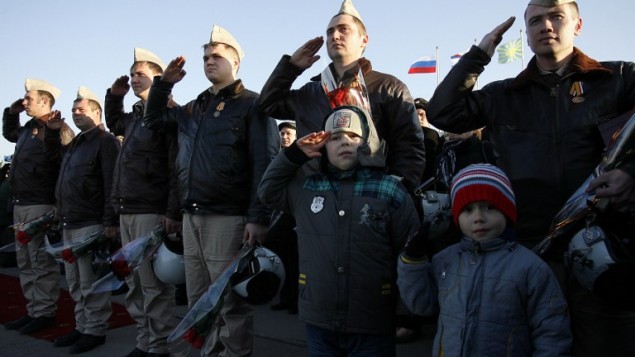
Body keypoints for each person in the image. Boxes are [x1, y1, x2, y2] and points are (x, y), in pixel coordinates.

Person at [426, 1, 635, 355]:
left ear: (578, 25)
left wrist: (631, 174)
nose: (546, 26)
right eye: (536, 20)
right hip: (530, 249)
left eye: (556, 16)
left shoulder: (618, 78)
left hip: (603, 246)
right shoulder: (503, 94)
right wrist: (479, 54)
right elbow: (442, 112)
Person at [144, 25, 277, 356]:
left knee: (229, 303)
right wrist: (164, 85)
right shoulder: (194, 109)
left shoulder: (252, 105)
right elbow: (154, 121)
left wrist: (258, 216)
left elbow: (266, 163)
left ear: (236, 62)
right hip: (193, 217)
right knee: (198, 299)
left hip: (229, 219)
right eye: (205, 57)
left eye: (217, 56)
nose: (209, 61)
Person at [258, 105, 420, 356]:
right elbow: (267, 190)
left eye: (353, 136)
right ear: (323, 147)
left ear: (368, 142)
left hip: (373, 321)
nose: (344, 142)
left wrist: (405, 313)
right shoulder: (306, 189)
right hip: (319, 320)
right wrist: (293, 155)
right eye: (334, 138)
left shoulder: (390, 190)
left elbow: (409, 255)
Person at [398, 163, 572, 356]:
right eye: (468, 210)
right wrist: (412, 262)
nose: (478, 217)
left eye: (489, 207)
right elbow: (422, 305)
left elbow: (552, 331)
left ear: (506, 211)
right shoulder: (445, 260)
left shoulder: (531, 268)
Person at [258, 0, 425, 195]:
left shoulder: (388, 87)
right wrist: (291, 68)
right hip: (314, 197)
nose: (335, 36)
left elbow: (409, 146)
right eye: (330, 32)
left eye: (344, 29)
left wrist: (395, 191)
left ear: (364, 40)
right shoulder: (310, 92)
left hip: (370, 198)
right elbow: (268, 104)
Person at [105, 48, 180, 357]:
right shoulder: (134, 116)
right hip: (128, 208)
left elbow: (177, 166)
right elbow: (113, 122)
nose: (135, 78)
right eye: (132, 73)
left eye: (141, 73)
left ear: (158, 78)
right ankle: (144, 342)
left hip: (151, 209)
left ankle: (159, 346)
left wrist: (171, 211)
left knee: (154, 285)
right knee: (135, 283)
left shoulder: (168, 113)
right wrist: (115, 95)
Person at [46, 87, 120, 354]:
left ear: (96, 112)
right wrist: (53, 134)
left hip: (91, 222)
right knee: (76, 281)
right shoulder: (76, 143)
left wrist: (109, 220)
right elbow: (55, 162)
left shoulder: (105, 141)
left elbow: (112, 181)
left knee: (91, 282)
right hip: (70, 220)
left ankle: (95, 330)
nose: (76, 113)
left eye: (82, 109)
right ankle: (82, 326)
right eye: (74, 110)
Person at [2, 79, 75, 334]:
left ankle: (44, 311)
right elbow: (9, 133)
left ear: (45, 101)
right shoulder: (26, 130)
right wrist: (11, 113)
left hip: (41, 202)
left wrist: (58, 204)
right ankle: (34, 309)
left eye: (29, 99)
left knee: (39, 261)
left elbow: (68, 167)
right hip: (22, 202)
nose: (25, 102)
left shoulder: (56, 128)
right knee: (25, 261)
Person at [266, 120, 299, 314]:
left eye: (289, 133)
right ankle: (286, 297)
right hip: (279, 214)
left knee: (295, 261)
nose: (285, 137)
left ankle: (295, 299)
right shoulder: (277, 157)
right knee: (283, 259)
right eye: (282, 134)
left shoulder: (302, 156)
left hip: (294, 214)